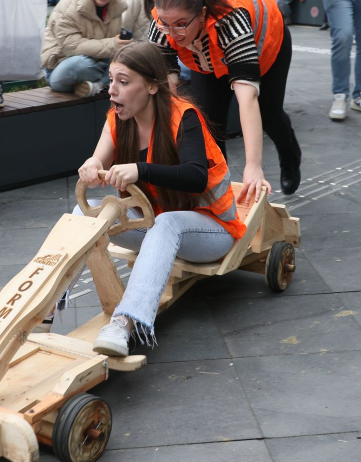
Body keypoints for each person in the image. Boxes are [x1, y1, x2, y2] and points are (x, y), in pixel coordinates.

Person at [74, 42, 246, 356]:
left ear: (153, 86)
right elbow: (98, 159)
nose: (112, 90)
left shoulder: (185, 117)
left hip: (212, 229)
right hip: (154, 225)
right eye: (111, 79)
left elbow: (196, 177)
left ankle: (126, 323)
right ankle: (44, 310)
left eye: (123, 82)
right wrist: (92, 166)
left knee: (166, 223)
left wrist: (140, 170)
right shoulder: (118, 119)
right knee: (84, 213)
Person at [149, 0, 302, 198]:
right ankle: (220, 190)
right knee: (209, 120)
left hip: (266, 44)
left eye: (181, 25)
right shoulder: (163, 22)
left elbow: (247, 98)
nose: (172, 34)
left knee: (269, 113)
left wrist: (253, 166)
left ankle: (290, 155)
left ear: (201, 14)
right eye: (166, 25)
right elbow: (165, 93)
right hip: (207, 56)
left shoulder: (230, 19)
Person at [41, 0, 128, 97]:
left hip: (97, 62)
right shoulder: (70, 6)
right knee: (80, 64)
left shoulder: (116, 7)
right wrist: (113, 45)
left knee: (128, 56)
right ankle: (105, 82)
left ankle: (96, 86)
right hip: (60, 67)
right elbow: (71, 47)